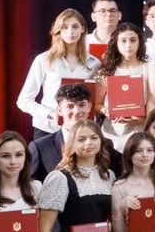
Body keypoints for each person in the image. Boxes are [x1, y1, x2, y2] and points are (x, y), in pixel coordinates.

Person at [16, 8, 101, 139]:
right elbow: (23, 100)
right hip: (48, 129)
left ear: (83, 29)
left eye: (75, 27)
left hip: (81, 131)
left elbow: (96, 100)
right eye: (65, 27)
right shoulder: (44, 60)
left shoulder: (94, 63)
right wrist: (50, 113)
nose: (70, 32)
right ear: (58, 30)